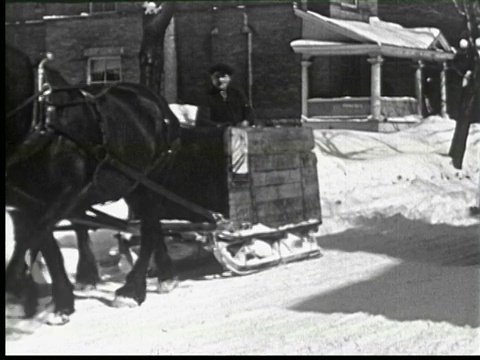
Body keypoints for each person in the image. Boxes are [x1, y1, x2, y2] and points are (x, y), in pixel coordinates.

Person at [195, 63, 254, 128]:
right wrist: (219, 126)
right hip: (217, 134)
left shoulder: (237, 94)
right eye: (216, 77)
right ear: (212, 79)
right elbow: (202, 120)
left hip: (239, 132)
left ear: (229, 78)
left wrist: (246, 122)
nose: (220, 80)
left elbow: (248, 112)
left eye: (223, 76)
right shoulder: (208, 96)